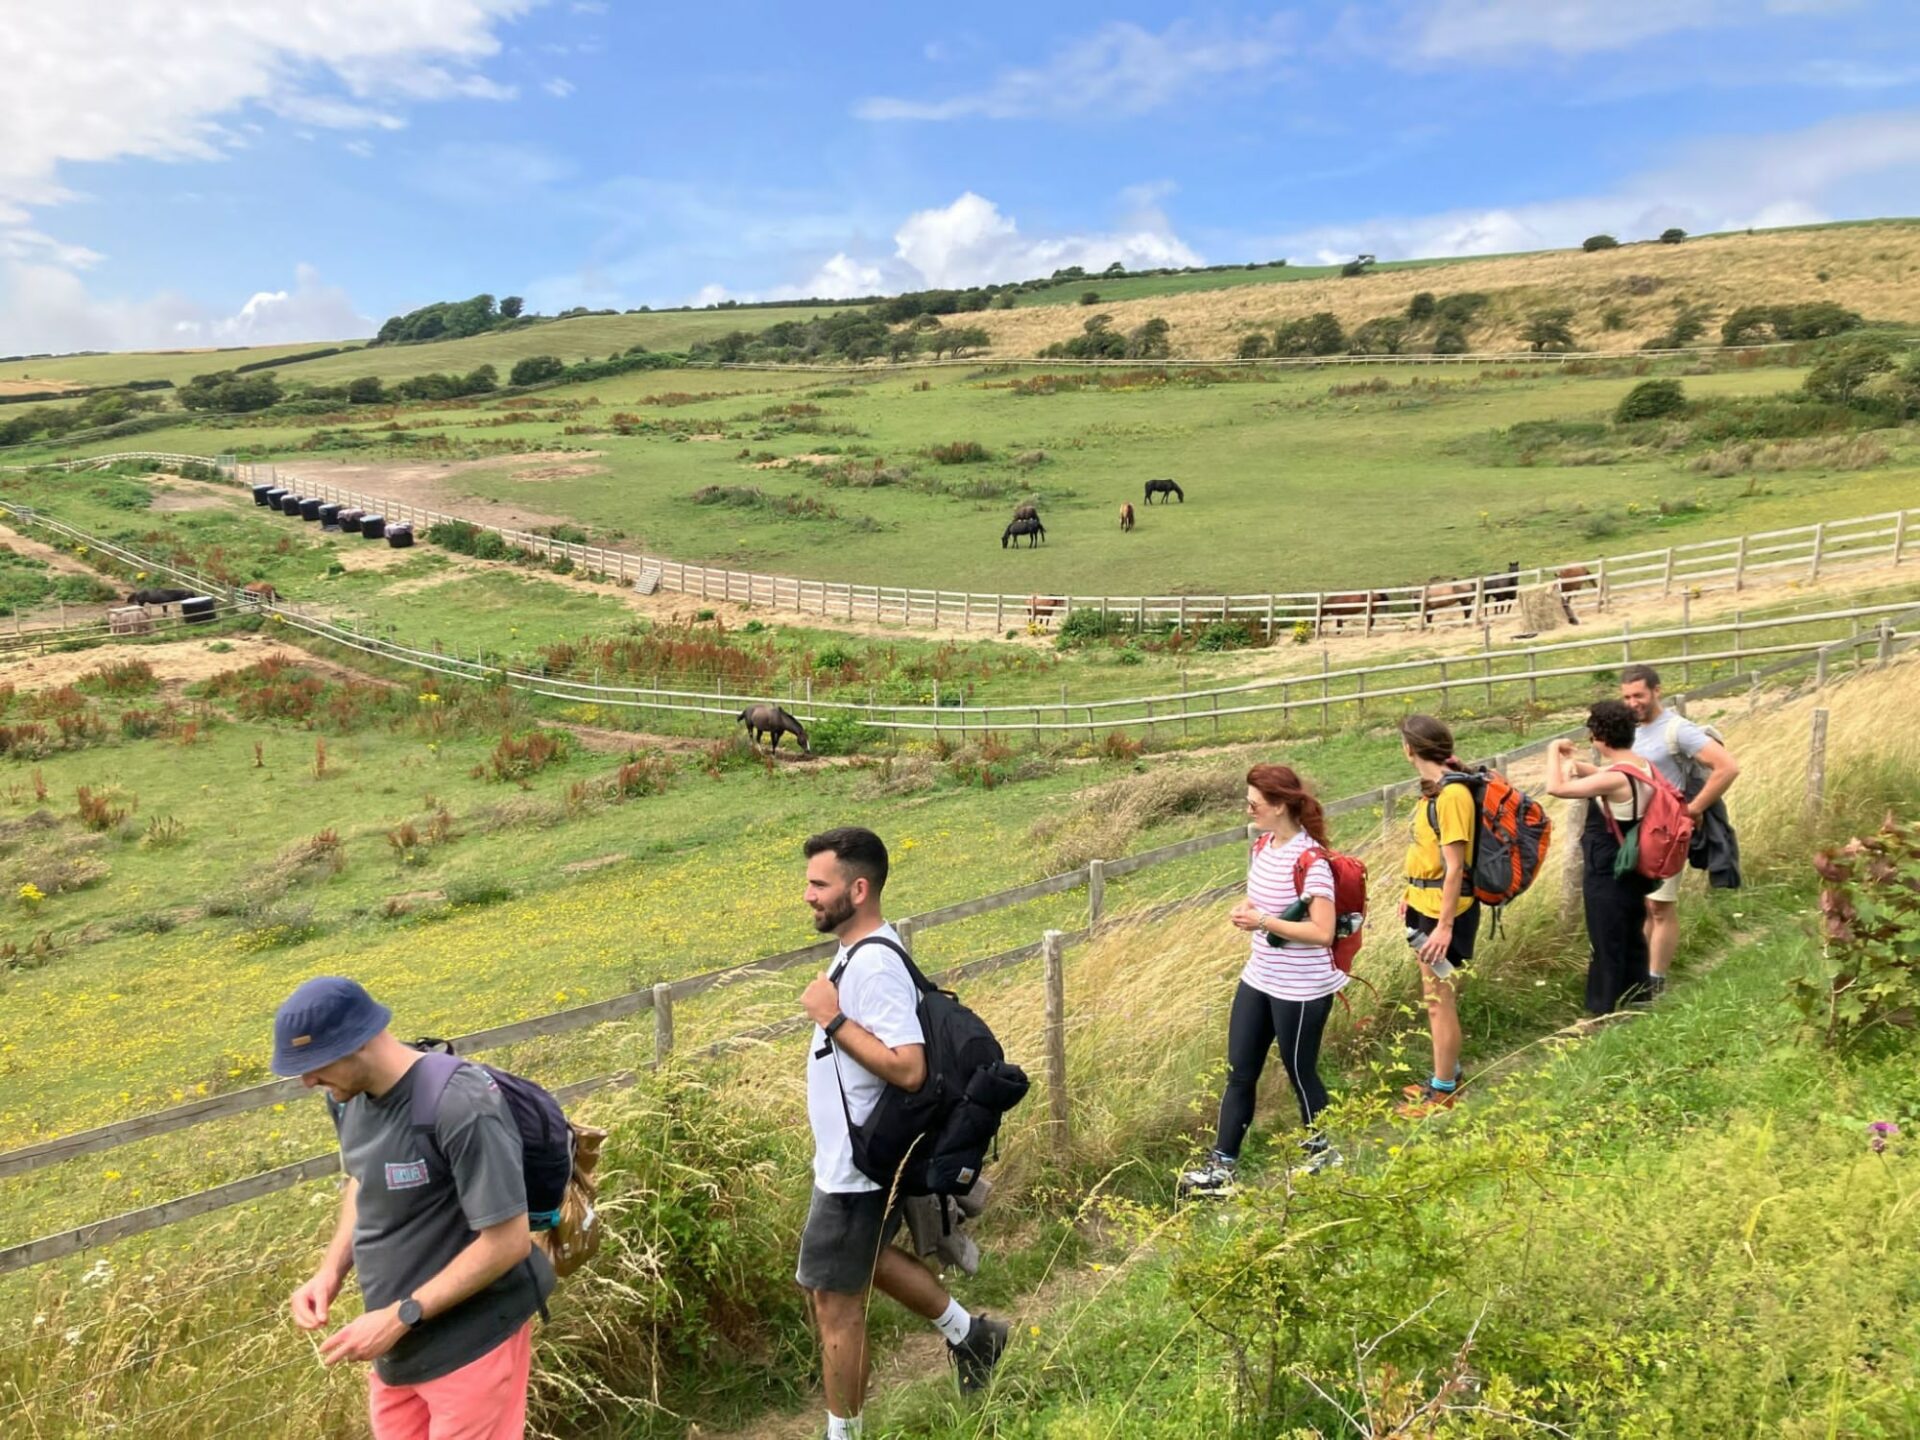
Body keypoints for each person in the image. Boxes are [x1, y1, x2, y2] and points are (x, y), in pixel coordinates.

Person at [796, 826, 1008, 1439]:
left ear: (857, 889)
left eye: (818, 883)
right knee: (869, 1265)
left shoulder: (873, 967)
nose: (807, 895)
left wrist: (831, 1017)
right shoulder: (860, 953)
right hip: (859, 1158)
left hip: (857, 1171)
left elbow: (910, 1067)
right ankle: (974, 1337)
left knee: (834, 1304)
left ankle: (845, 1436)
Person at [275, 976, 553, 1440]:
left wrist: (400, 1315)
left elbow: (508, 1243)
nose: (307, 1081)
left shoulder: (459, 1103)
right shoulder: (347, 1101)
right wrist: (330, 1272)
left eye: (315, 1064)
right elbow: (364, 1180)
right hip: (399, 1351)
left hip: (470, 1345)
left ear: (359, 1042)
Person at [1180, 765, 1345, 1196]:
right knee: (1239, 1072)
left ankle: (1323, 1154)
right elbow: (1260, 898)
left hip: (1302, 987)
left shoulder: (1313, 862)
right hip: (1259, 977)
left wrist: (1263, 921)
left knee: (1299, 1070)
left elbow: (1323, 932)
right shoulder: (1261, 847)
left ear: (1279, 806)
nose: (1247, 809)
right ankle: (1222, 1170)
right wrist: (1246, 911)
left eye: (1254, 803)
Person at [1620, 664, 1741, 997]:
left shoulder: (1678, 729)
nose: (1633, 703)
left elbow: (1727, 767)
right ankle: (1640, 976)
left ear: (1657, 691)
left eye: (1639, 695)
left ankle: (1656, 981)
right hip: (1635, 831)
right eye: (1627, 697)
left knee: (1660, 905)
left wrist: (1693, 809)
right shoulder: (1628, 730)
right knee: (1644, 905)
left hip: (1667, 833)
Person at [1546, 701, 1661, 1015]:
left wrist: (1553, 750)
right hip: (1632, 859)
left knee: (1605, 937)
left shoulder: (1615, 778)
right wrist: (1579, 765)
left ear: (1598, 735)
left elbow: (1555, 788)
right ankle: (1639, 999)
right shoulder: (1640, 765)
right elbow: (1605, 774)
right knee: (1631, 932)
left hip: (1607, 864)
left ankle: (1601, 1011)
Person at [1396, 715, 1480, 1119]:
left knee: (1438, 1000)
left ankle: (1444, 1091)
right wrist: (1409, 895)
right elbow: (1426, 855)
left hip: (1445, 915)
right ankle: (1445, 1074)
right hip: (1424, 906)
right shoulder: (1434, 792)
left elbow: (1454, 867)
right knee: (1435, 997)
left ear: (1409, 748)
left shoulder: (1451, 797)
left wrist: (1445, 927)